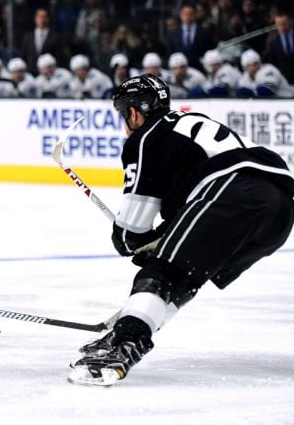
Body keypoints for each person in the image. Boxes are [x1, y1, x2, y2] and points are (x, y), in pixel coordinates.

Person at [69, 74, 294, 386]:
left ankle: (126, 342)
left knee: (160, 270)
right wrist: (157, 239)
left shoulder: (146, 137)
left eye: (124, 115)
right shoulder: (187, 122)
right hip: (279, 211)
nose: (124, 123)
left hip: (231, 190)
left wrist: (132, 243)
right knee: (184, 275)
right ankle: (130, 329)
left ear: (134, 112)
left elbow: (131, 230)